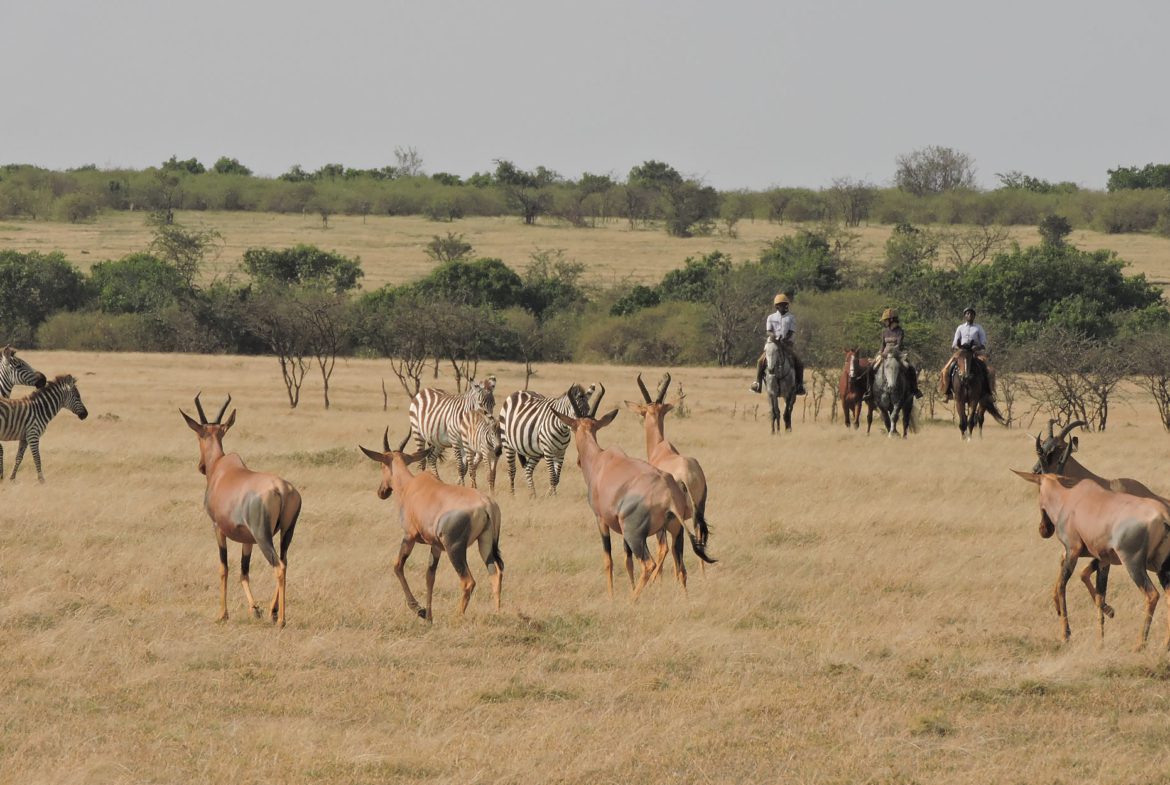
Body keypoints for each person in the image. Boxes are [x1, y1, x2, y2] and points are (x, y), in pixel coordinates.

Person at [751, 293, 805, 395]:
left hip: (786, 344)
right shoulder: (771, 317)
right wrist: (775, 338)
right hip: (773, 343)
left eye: (786, 304)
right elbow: (768, 331)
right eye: (782, 305)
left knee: (799, 363)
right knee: (760, 361)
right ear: (777, 306)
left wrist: (785, 339)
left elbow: (791, 331)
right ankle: (758, 384)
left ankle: (800, 385)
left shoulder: (791, 317)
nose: (785, 306)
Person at [939, 306, 992, 401]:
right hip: (961, 352)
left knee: (989, 370)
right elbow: (954, 343)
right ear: (964, 316)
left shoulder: (978, 328)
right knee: (946, 370)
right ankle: (947, 393)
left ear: (974, 316)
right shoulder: (960, 328)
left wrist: (978, 346)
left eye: (971, 313)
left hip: (975, 352)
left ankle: (988, 393)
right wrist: (958, 347)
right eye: (967, 313)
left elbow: (983, 342)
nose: (970, 315)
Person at [873, 308, 923, 398]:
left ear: (891, 320)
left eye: (885, 320)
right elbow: (882, 345)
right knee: (872, 367)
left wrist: (891, 352)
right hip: (884, 355)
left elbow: (899, 345)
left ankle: (914, 389)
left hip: (897, 355)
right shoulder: (884, 331)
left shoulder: (900, 331)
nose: (884, 322)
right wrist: (881, 352)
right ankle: (870, 390)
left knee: (910, 367)